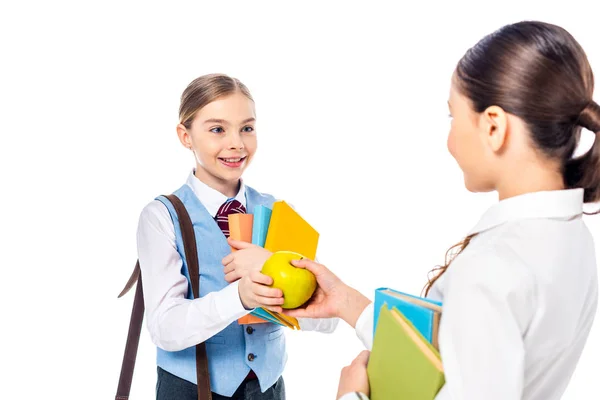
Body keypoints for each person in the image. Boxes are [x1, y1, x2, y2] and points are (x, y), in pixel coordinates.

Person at [283, 21, 600, 399]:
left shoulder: (494, 265)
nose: (450, 141)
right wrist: (350, 305)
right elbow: (458, 364)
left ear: (494, 126)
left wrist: (350, 396)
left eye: (454, 116)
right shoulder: (569, 236)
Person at [136, 73, 338, 400]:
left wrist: (287, 292)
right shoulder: (162, 216)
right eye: (217, 129)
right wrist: (241, 297)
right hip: (190, 388)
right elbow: (164, 329)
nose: (237, 143)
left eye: (247, 128)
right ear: (185, 136)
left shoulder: (276, 211)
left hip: (268, 387)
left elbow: (328, 320)